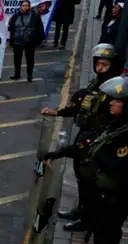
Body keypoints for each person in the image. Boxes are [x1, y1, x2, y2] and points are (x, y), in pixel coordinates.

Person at [44, 77, 128, 244]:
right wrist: (59, 153)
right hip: (101, 196)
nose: (111, 103)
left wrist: (98, 154)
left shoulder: (125, 135)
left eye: (118, 101)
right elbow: (87, 145)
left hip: (115, 200)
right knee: (100, 240)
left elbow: (118, 166)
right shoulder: (115, 126)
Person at [41, 44, 119, 232]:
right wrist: (57, 112)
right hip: (86, 131)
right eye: (98, 64)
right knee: (81, 176)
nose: (100, 68)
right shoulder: (96, 83)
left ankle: (87, 218)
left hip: (97, 137)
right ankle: (81, 210)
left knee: (90, 179)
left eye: (105, 65)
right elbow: (80, 107)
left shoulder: (113, 90)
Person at [8, 0, 45, 82]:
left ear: (29, 6)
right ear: (20, 7)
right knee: (17, 59)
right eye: (23, 5)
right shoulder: (15, 16)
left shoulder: (35, 16)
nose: (25, 7)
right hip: (17, 41)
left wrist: (39, 40)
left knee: (30, 59)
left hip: (30, 41)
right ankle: (17, 74)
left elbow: (40, 28)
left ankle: (29, 75)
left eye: (26, 5)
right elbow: (11, 27)